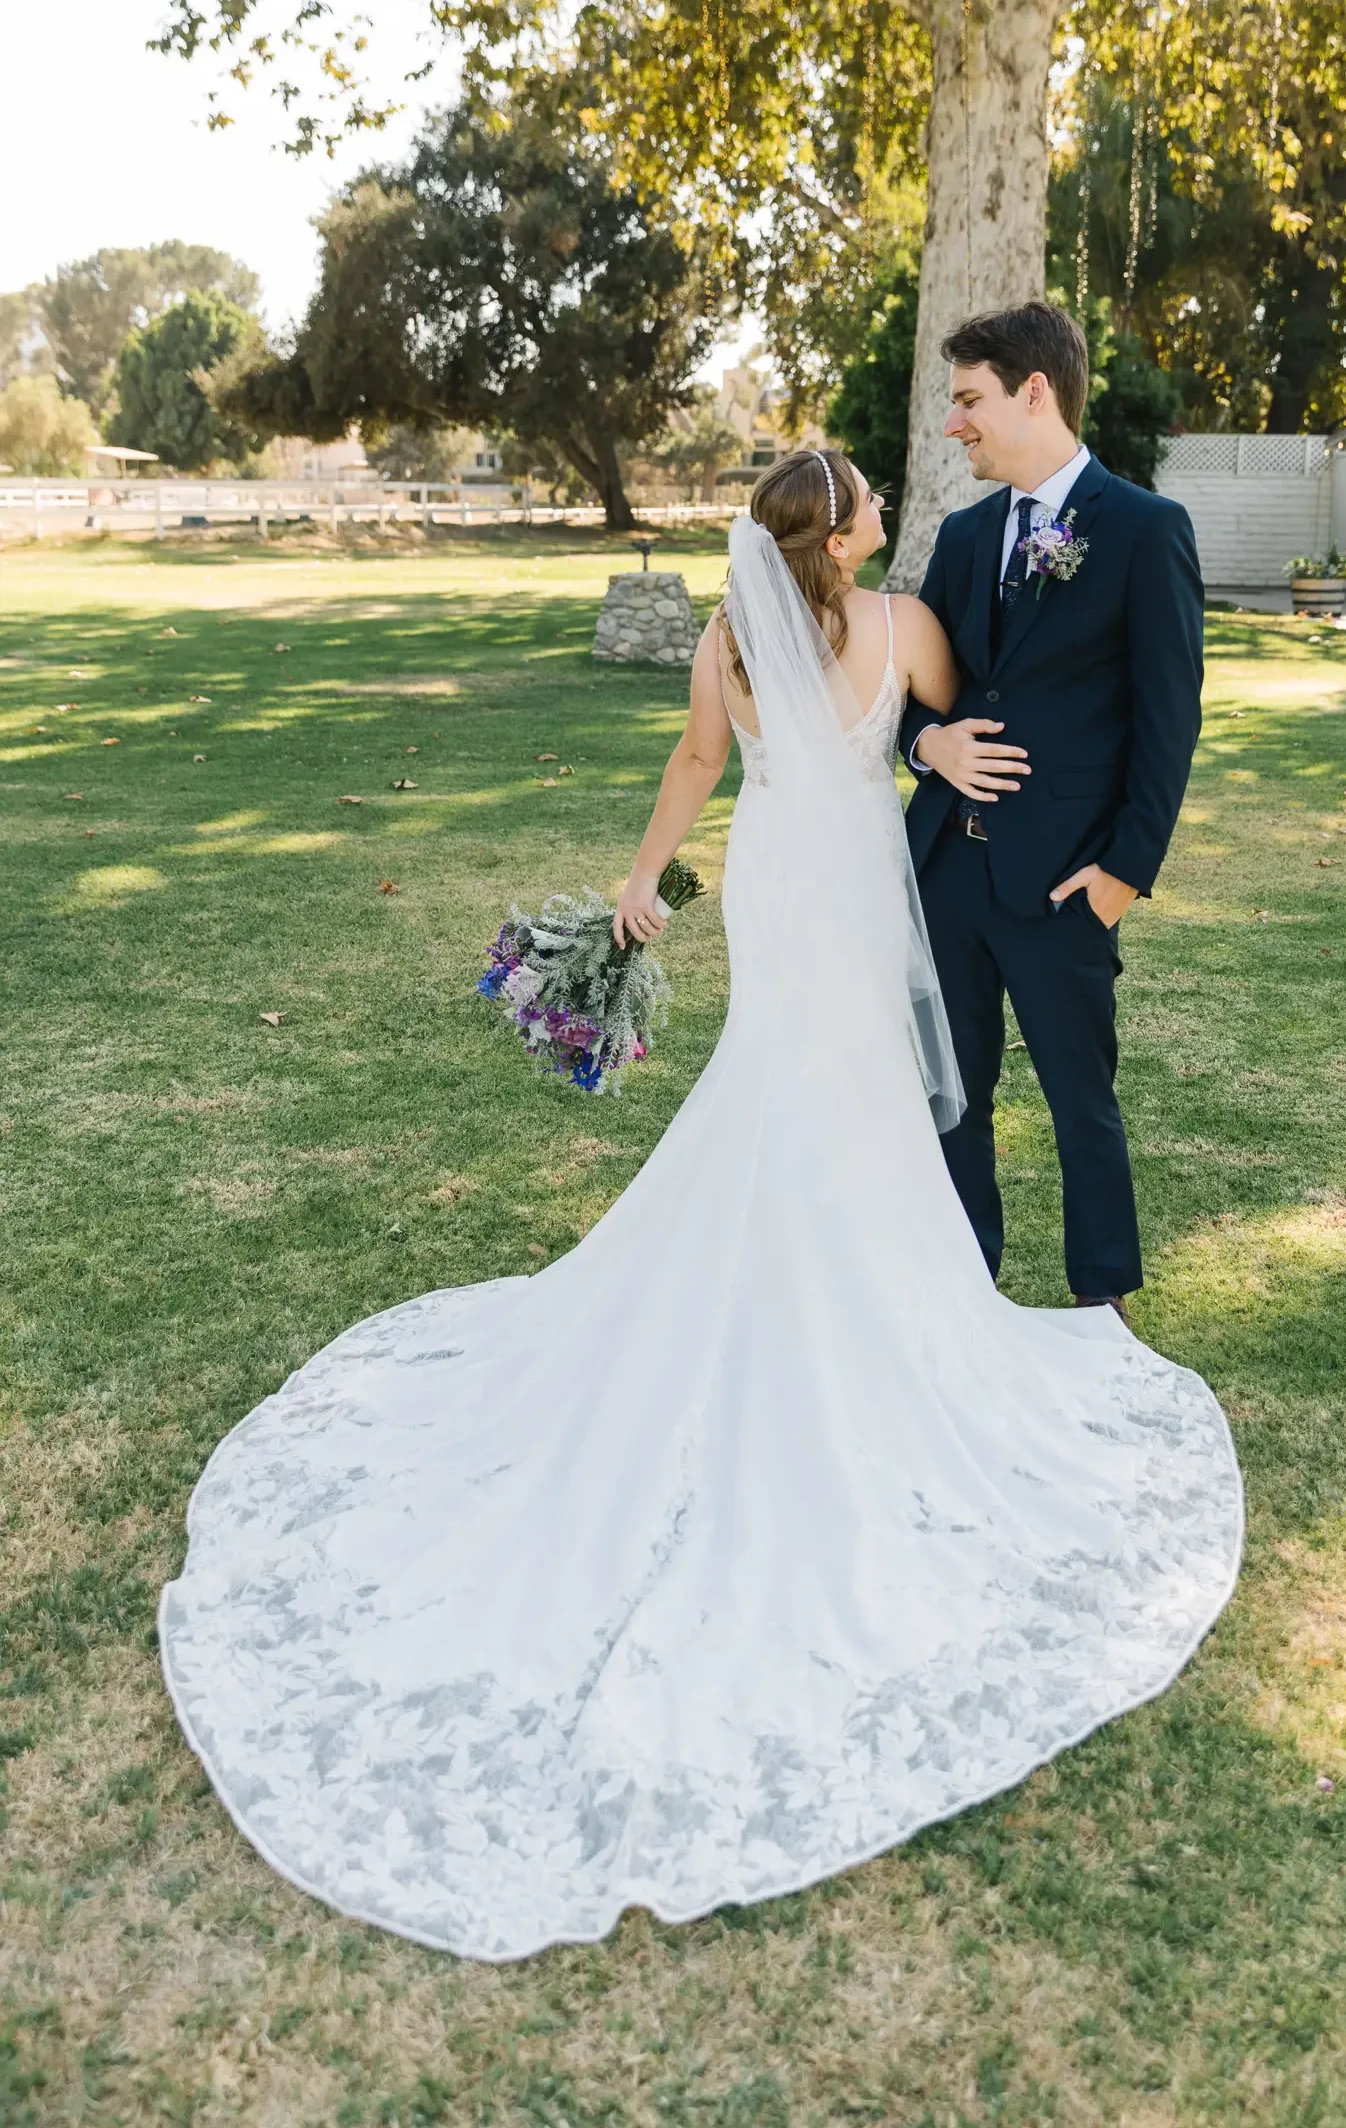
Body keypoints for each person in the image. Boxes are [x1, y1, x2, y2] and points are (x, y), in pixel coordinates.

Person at [158, 449, 1240, 1963]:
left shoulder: (732, 638)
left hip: (782, 878)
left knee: (789, 1079)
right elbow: (949, 716)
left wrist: (642, 881)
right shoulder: (907, 623)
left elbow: (693, 765)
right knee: (856, 1090)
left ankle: (800, 1288)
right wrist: (938, 747)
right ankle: (863, 1310)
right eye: (868, 504)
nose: (885, 514)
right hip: (855, 879)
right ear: (844, 539)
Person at [900, 302, 1204, 1315]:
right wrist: (928, 743)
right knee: (952, 1098)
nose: (953, 423)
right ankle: (963, 1295)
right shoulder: (962, 535)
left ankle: (1100, 1305)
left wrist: (1121, 874)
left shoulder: (1144, 530)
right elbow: (913, 692)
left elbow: (1167, 721)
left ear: (1034, 392)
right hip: (947, 874)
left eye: (967, 399)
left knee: (1081, 1103)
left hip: (1066, 878)